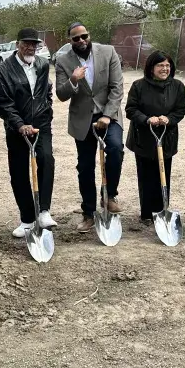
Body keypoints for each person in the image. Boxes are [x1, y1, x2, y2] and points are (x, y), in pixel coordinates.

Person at [55, 22, 124, 233]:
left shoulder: (107, 52)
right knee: (85, 167)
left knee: (115, 149)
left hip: (108, 115)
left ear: (89, 34)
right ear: (70, 40)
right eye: (76, 38)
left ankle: (109, 195)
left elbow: (117, 87)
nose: (81, 40)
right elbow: (61, 94)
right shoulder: (63, 61)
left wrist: (107, 116)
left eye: (84, 36)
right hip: (82, 119)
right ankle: (88, 213)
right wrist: (73, 80)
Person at [0, 28, 56, 236]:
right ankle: (27, 219)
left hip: (41, 124)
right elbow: (4, 104)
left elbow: (46, 90)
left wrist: (47, 110)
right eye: (26, 44)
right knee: (19, 171)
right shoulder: (4, 69)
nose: (30, 48)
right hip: (16, 128)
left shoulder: (42, 64)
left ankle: (44, 211)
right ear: (18, 45)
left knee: (46, 160)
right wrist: (19, 124)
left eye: (34, 44)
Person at [125, 51, 185, 225]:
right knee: (146, 175)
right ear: (151, 68)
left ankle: (161, 210)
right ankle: (146, 213)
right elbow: (131, 110)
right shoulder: (139, 86)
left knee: (163, 172)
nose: (164, 69)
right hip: (144, 136)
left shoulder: (177, 86)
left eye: (167, 65)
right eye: (160, 65)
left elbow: (181, 109)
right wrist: (147, 119)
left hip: (166, 136)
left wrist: (169, 119)